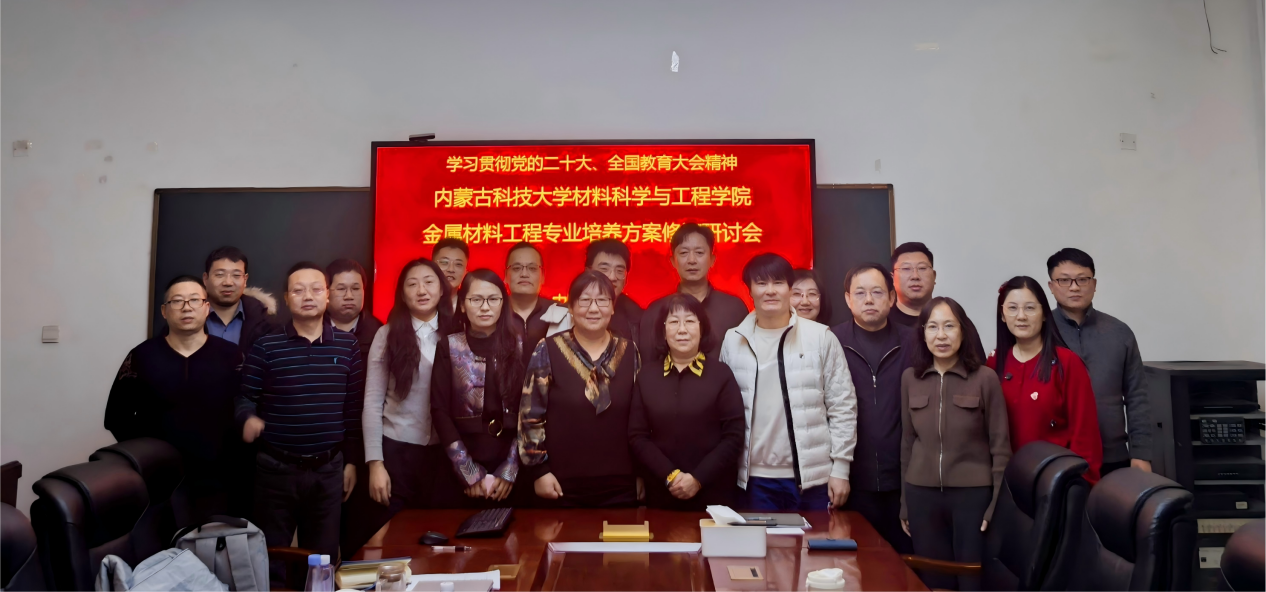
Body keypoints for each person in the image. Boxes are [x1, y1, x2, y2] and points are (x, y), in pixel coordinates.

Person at [236, 262, 364, 558]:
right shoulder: (266, 346)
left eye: (316, 289)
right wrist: (247, 418)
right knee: (272, 558)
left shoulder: (348, 346)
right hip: (276, 469)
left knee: (322, 559)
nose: (308, 296)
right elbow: (245, 396)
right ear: (286, 298)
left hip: (328, 471)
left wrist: (352, 463)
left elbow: (353, 409)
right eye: (298, 290)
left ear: (327, 295)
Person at [719, 253, 857, 511]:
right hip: (753, 480)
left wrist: (841, 468)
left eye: (778, 282)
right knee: (759, 540)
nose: (770, 290)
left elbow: (842, 405)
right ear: (749, 290)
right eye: (761, 283)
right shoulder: (733, 340)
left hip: (813, 479)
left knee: (817, 539)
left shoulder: (820, 337)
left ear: (790, 288)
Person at [105, 275, 245, 523]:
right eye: (177, 301)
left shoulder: (231, 356)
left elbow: (248, 409)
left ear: (207, 307)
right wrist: (145, 457)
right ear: (164, 311)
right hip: (157, 481)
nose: (186, 307)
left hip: (220, 480)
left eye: (194, 300)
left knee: (215, 544)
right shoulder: (142, 356)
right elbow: (116, 417)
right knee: (157, 543)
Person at [342, 258, 454, 554]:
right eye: (412, 284)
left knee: (436, 543)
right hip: (397, 453)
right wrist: (375, 464)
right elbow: (371, 402)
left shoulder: (457, 333)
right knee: (387, 543)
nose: (421, 290)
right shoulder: (388, 334)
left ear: (442, 289)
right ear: (402, 293)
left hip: (444, 457)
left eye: (429, 282)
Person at [900, 297, 1011, 592]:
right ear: (923, 334)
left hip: (972, 497)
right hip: (921, 496)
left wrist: (995, 506)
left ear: (963, 331)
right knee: (932, 580)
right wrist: (905, 503)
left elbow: (1001, 448)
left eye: (949, 326)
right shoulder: (910, 378)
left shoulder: (985, 378)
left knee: (971, 579)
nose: (941, 335)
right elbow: (907, 444)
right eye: (933, 327)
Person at [518, 271, 641, 508]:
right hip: (560, 483)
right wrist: (539, 471)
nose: (593, 309)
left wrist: (640, 472)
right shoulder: (548, 349)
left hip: (621, 483)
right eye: (584, 301)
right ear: (571, 307)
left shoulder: (629, 351)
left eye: (602, 300)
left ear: (612, 307)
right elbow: (530, 415)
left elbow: (640, 417)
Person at [629, 294, 745, 510]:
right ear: (663, 331)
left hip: (714, 493)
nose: (682, 330)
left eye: (690, 321)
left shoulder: (721, 375)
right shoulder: (646, 376)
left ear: (702, 328)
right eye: (674, 322)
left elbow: (733, 436)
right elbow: (638, 437)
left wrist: (697, 479)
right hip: (662, 492)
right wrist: (671, 476)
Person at [1046, 248, 1153, 476]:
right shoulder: (1039, 332)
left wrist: (1141, 453)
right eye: (1064, 280)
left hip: (1112, 457)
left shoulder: (1119, 332)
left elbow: (1137, 396)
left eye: (1082, 279)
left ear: (1094, 284)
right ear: (1051, 286)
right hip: (1054, 457)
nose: (1074, 287)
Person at [829, 263, 913, 553]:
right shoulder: (831, 341)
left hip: (903, 481)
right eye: (860, 293)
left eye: (877, 292)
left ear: (891, 298)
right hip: (850, 481)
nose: (868, 300)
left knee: (902, 564)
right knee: (855, 563)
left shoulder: (914, 342)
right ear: (848, 299)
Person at [988, 276, 1103, 483]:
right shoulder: (993, 363)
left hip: (1056, 482)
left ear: (1044, 314)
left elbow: (1085, 434)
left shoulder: (1067, 363)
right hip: (1006, 482)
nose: (1021, 316)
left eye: (1030, 308)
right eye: (1012, 308)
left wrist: (1082, 484)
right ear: (1002, 315)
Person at [432, 269, 529, 507]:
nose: (485, 307)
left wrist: (510, 469)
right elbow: (439, 411)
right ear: (462, 305)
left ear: (503, 303)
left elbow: (529, 410)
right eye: (476, 299)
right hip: (461, 463)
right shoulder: (449, 346)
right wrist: (467, 471)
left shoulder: (519, 345)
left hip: (510, 462)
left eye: (493, 299)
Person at [641, 223, 749, 361]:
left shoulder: (734, 308)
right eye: (684, 253)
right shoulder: (656, 311)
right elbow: (648, 363)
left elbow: (745, 361)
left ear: (712, 259)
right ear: (673, 261)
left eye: (699, 253)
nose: (691, 260)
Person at [888, 242, 986, 361]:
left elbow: (976, 366)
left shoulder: (956, 319)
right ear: (892, 278)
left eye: (922, 268)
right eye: (906, 269)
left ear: (934, 276)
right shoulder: (884, 322)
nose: (915, 276)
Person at [542, 238, 644, 344]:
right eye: (604, 269)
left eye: (619, 271)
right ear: (588, 272)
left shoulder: (638, 318)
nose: (612, 277)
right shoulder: (563, 315)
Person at [202, 246, 277, 355]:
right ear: (205, 279)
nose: (228, 282)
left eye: (236, 275)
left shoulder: (265, 322)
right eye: (220, 275)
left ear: (245, 280)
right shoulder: (189, 316)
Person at [503, 242, 555, 365]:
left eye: (532, 268)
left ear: (543, 276)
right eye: (516, 268)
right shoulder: (494, 312)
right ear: (506, 276)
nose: (524, 274)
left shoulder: (559, 313)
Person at [326, 258, 383, 363]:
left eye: (355, 289)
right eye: (341, 289)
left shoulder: (379, 333)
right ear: (326, 292)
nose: (349, 296)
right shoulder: (312, 329)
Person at [433, 238, 470, 313]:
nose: (451, 269)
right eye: (444, 262)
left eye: (458, 264)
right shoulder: (420, 303)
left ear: (465, 271)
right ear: (432, 266)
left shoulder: (470, 306)